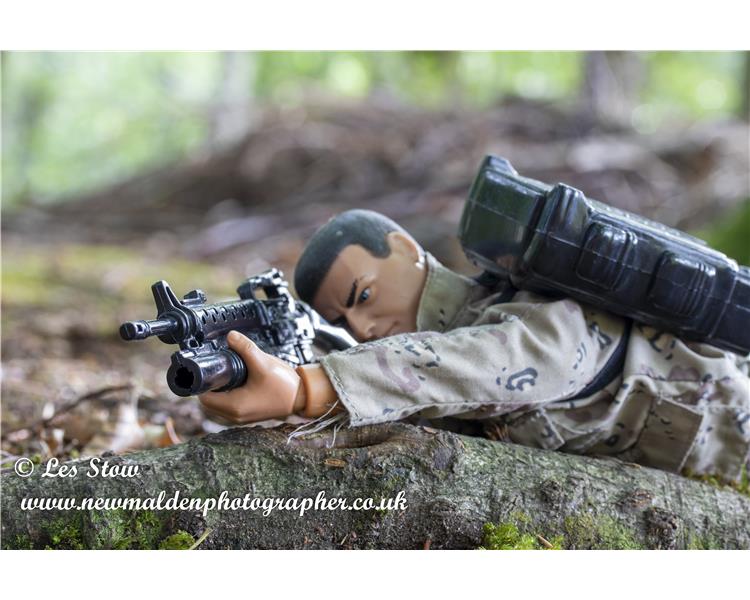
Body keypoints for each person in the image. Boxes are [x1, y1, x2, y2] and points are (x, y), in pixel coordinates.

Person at [198, 209, 750, 482]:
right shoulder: (425, 350)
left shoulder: (530, 306)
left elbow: (495, 363)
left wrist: (309, 388)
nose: (362, 328)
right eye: (342, 320)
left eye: (363, 295)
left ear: (405, 249)